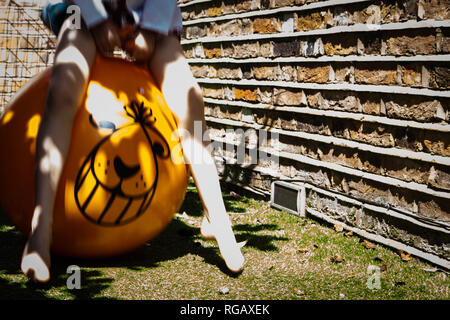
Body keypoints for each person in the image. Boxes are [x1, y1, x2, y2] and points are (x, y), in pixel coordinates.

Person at [21, 0, 245, 283]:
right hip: (84, 12)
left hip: (148, 15)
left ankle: (217, 218)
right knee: (64, 88)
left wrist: (151, 29)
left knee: (191, 100)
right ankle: (41, 227)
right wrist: (97, 19)